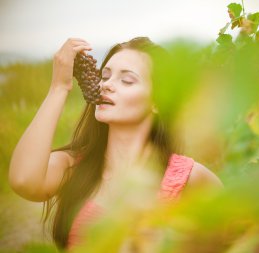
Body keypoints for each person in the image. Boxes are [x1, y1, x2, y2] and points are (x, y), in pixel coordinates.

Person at [8, 37, 223, 250]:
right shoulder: (73, 167)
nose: (107, 85)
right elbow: (23, 181)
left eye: (127, 80)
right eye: (104, 76)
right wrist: (59, 87)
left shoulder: (190, 178)